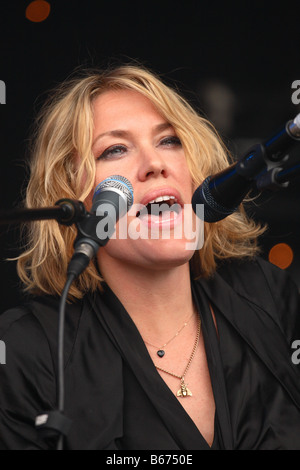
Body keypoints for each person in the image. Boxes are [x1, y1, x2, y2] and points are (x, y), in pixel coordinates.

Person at [0, 64, 299, 451]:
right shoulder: (25, 350)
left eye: (169, 140)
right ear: (70, 196)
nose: (155, 163)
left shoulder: (270, 295)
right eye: (115, 149)